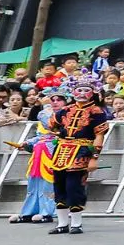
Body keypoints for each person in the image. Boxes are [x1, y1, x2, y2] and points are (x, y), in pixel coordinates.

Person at [49, 83, 110, 235]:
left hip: (81, 150)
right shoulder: (66, 109)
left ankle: (76, 223)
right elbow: (52, 125)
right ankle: (62, 224)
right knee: (59, 186)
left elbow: (99, 135)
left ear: (93, 93)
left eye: (86, 90)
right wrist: (60, 133)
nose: (82, 93)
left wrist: (94, 157)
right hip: (62, 150)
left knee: (74, 186)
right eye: (79, 90)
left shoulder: (96, 111)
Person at [8, 118, 55, 224]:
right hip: (37, 160)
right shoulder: (42, 122)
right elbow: (39, 138)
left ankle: (46, 213)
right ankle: (28, 212)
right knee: (32, 188)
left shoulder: (63, 119)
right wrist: (26, 144)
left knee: (47, 188)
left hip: (50, 161)